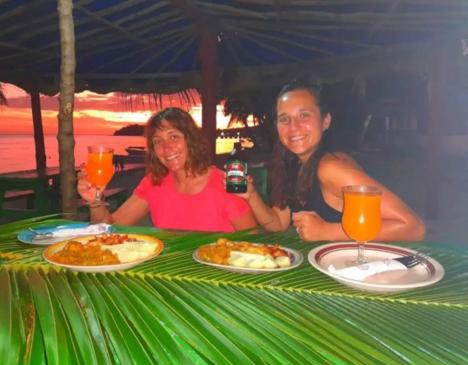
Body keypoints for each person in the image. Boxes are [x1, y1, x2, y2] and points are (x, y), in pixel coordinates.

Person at [239, 75, 426, 241]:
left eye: (304, 115)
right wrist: (252, 195)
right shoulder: (294, 164)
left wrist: (327, 231)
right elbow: (278, 224)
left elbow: (413, 227)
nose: (293, 126)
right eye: (284, 118)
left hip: (360, 270)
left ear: (325, 121)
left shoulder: (331, 168)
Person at [77, 107, 257, 232]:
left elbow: (252, 243)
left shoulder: (224, 184)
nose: (166, 147)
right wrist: (95, 201)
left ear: (190, 140)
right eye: (158, 141)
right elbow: (109, 228)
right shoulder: (153, 183)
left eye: (174, 137)